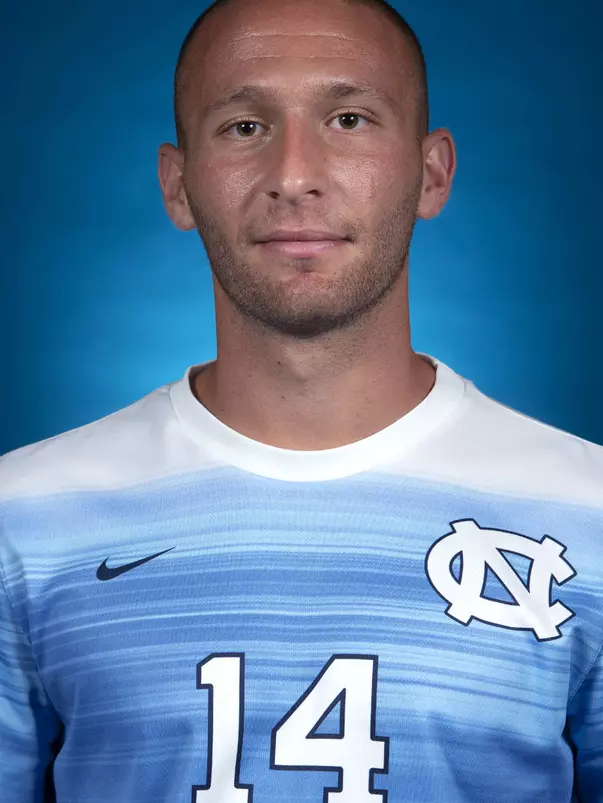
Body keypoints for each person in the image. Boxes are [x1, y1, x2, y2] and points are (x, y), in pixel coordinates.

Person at [1, 0, 601, 800]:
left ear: (431, 173)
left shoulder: (587, 515)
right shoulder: (25, 521)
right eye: (244, 127)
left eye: (348, 119)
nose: (293, 176)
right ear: (177, 186)